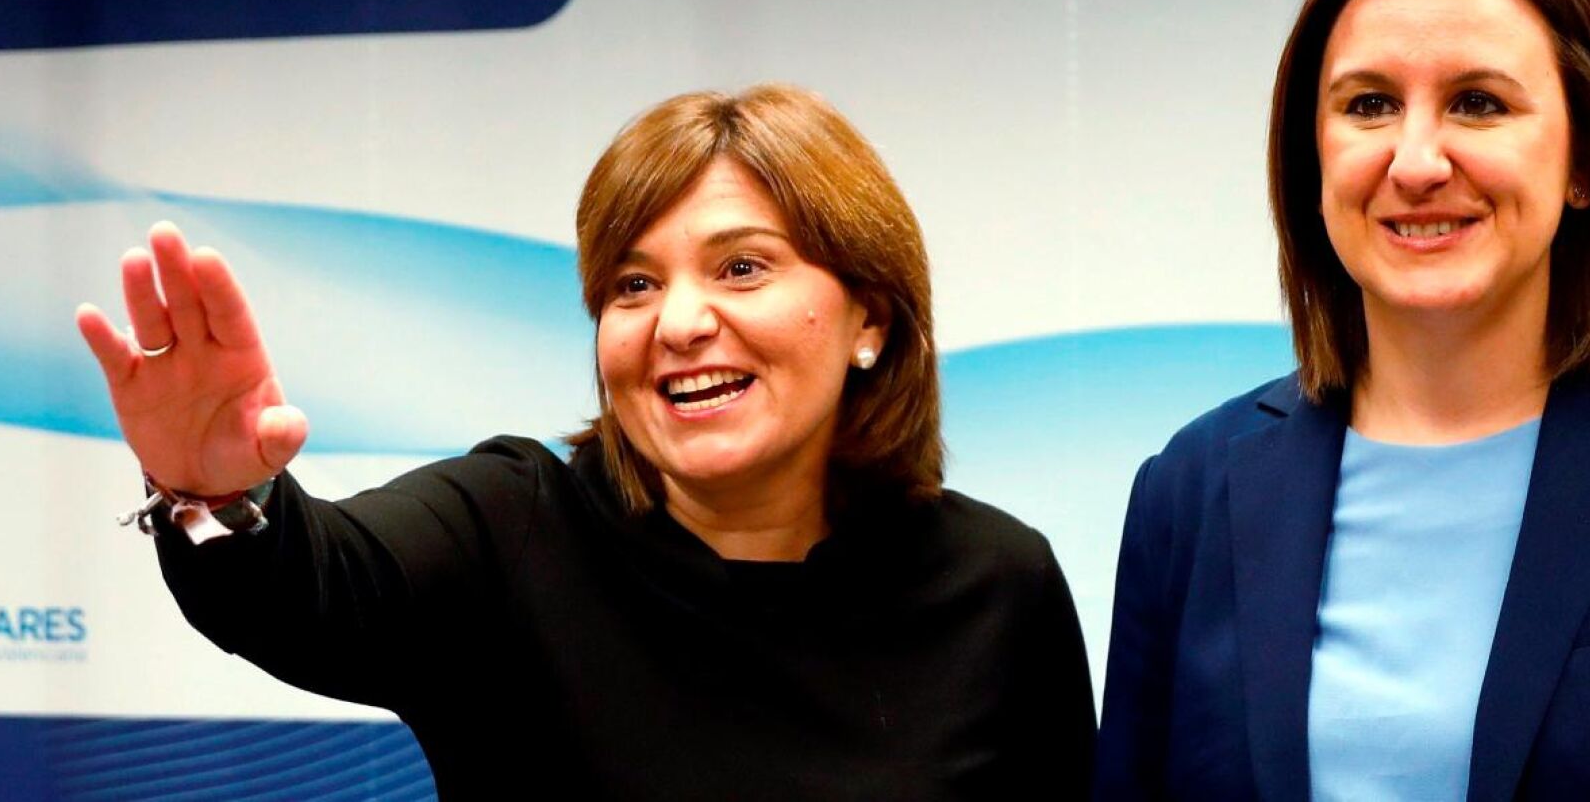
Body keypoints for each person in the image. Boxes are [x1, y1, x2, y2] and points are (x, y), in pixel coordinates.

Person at [78, 84, 1096, 799]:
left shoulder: (995, 583)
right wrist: (213, 490)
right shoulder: (514, 527)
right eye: (633, 284)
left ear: (869, 317)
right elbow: (312, 584)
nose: (679, 322)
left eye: (741, 267)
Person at [1094, 0, 1590, 800]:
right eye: (1370, 104)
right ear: (1312, 155)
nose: (1417, 161)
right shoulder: (1190, 491)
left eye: (1478, 102)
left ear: (1584, 160)